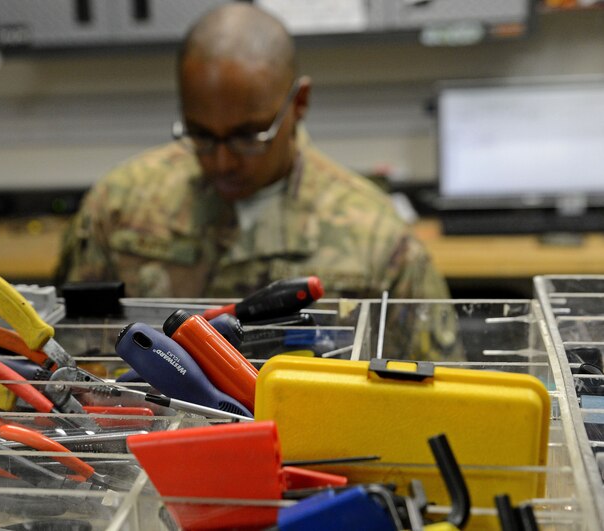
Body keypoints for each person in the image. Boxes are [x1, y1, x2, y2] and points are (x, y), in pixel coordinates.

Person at [56, 3, 457, 358]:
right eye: (202, 135)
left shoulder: (377, 240)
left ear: (298, 104)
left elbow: (441, 394)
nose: (223, 161)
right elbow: (70, 355)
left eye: (249, 136)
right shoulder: (118, 207)